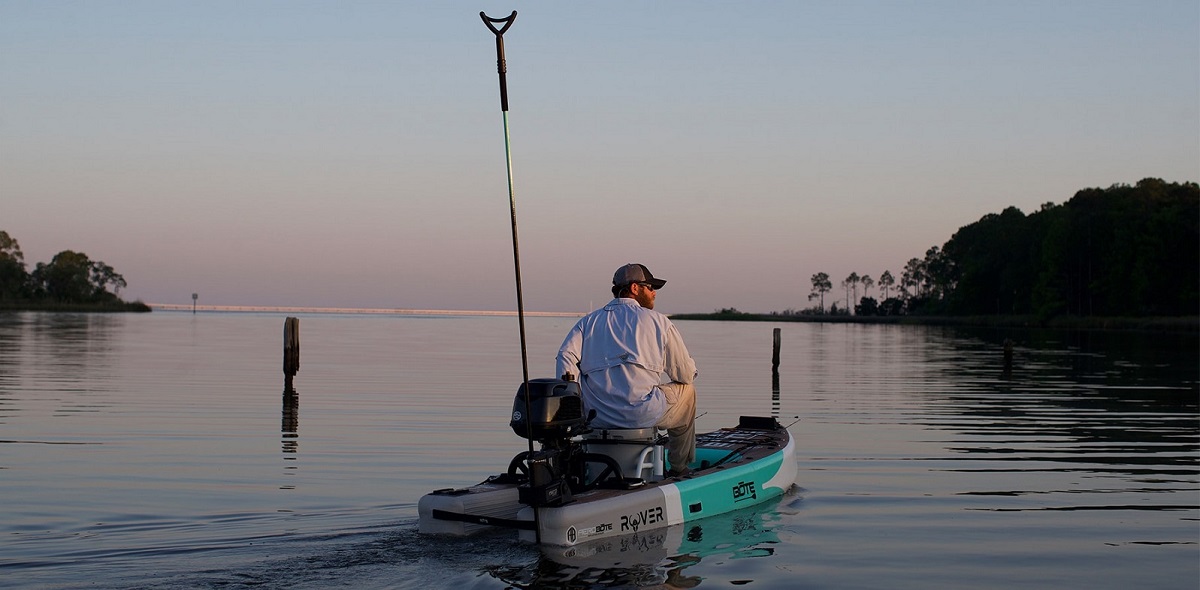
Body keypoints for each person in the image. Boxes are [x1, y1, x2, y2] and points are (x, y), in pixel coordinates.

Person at [556, 263, 699, 476]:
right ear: (634, 288)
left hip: (596, 416)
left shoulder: (588, 322)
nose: (654, 293)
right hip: (642, 414)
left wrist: (574, 404)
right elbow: (684, 375)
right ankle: (680, 467)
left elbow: (565, 357)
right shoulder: (659, 322)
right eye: (650, 287)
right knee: (687, 391)